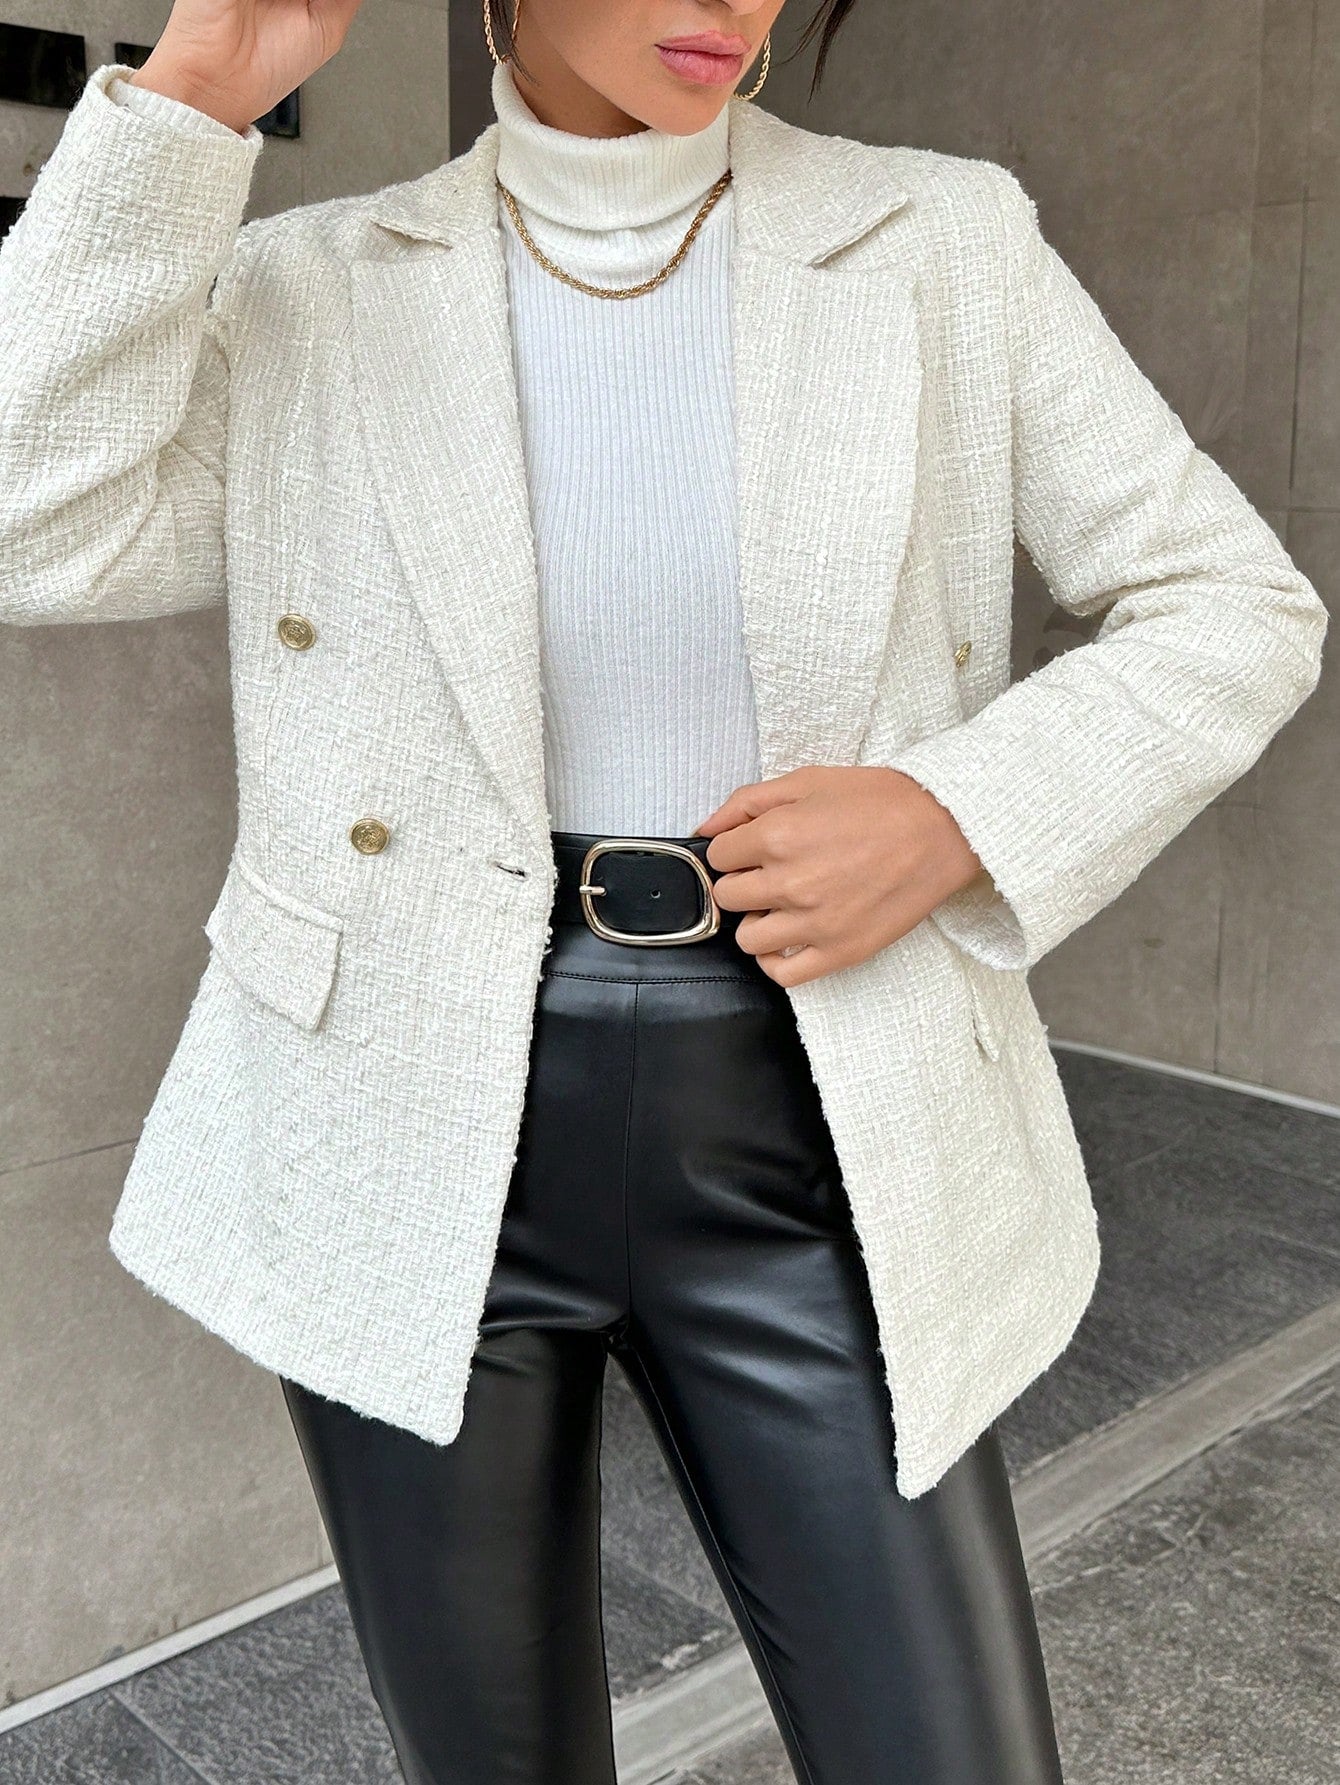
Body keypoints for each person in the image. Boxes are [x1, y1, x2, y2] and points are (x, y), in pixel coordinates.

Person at [0, 1, 1326, 1780]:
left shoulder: (939, 238)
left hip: (816, 1114)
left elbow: (1234, 603)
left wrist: (954, 810)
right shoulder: (316, 284)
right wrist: (195, 96)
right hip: (404, 1112)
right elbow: (29, 523)